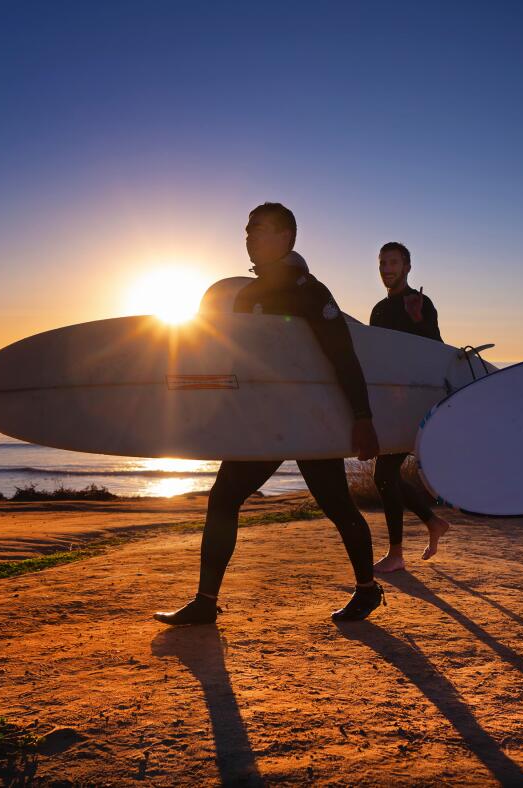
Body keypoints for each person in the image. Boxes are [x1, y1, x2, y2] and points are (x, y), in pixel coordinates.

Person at [154, 203, 385, 625]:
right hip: (264, 421)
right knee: (223, 500)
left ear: (285, 237)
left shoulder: (310, 292)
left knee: (337, 505)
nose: (248, 237)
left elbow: (343, 357)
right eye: (246, 231)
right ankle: (205, 601)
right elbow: (237, 363)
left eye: (257, 230)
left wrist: (362, 417)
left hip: (307, 419)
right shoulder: (247, 294)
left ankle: (368, 590)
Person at [368, 241, 452, 572]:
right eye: (382, 262)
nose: (386, 268)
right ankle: (431, 523)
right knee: (384, 473)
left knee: (384, 472)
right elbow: (375, 359)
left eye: (393, 262)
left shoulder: (420, 302)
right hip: (390, 401)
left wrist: (419, 320)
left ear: (407, 267)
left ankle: (397, 553)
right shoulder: (377, 310)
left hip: (414, 401)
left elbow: (436, 350)